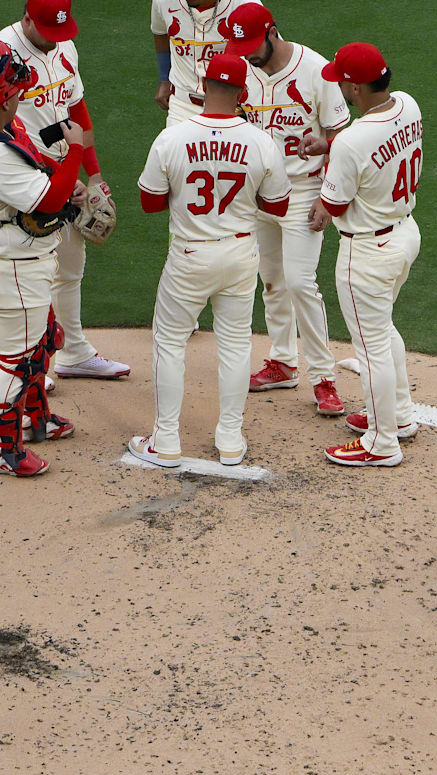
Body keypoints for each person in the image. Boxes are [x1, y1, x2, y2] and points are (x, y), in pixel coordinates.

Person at [130, 54, 290, 468]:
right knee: (236, 344)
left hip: (189, 254)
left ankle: (165, 442)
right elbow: (280, 204)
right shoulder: (260, 141)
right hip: (239, 253)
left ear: (202, 84)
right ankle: (231, 441)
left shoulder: (172, 138)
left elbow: (149, 202)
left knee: (170, 342)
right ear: (242, 92)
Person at [0, 39, 87, 476]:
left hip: (16, 260)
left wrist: (63, 173)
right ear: (3, 98)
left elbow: (33, 160)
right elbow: (47, 204)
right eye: (16, 92)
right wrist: (76, 154)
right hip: (10, 269)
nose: (21, 97)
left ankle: (34, 419)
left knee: (44, 339)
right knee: (17, 361)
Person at [219, 3, 350, 416]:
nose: (244, 52)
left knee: (299, 281)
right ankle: (282, 361)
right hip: (258, 193)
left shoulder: (315, 69)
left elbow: (341, 136)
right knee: (271, 278)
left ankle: (324, 377)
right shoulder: (243, 70)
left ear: (272, 31)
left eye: (250, 43)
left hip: (305, 190)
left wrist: (328, 197)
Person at [0, 0, 131, 383]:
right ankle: (31, 365)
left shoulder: (64, 46)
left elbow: (77, 110)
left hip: (65, 172)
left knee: (69, 268)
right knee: (30, 273)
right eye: (48, 33)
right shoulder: (1, 52)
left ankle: (74, 352)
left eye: (61, 32)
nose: (56, 41)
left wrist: (95, 173)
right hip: (24, 178)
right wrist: (59, 173)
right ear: (26, 19)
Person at [302, 43, 422, 467]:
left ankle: (381, 441)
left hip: (367, 252)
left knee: (370, 347)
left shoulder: (352, 141)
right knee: (383, 331)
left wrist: (317, 206)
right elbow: (366, 142)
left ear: (355, 86)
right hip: (404, 234)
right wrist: (331, 145)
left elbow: (329, 208)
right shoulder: (408, 104)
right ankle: (401, 416)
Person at [151, 0, 251, 127]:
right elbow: (160, 31)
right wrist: (165, 79)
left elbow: (267, 50)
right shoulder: (164, 2)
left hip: (232, 106)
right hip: (182, 106)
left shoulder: (245, 5)